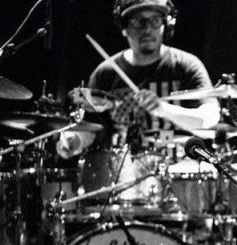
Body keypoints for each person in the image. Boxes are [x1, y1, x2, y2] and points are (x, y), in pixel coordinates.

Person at [56, 0, 219, 159]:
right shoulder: (106, 73)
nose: (147, 29)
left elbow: (210, 119)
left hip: (178, 169)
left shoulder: (186, 66)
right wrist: (75, 141)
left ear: (166, 25)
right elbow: (91, 128)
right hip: (123, 170)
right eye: (137, 21)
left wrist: (164, 109)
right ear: (124, 28)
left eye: (155, 21)